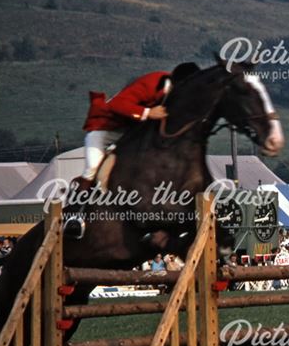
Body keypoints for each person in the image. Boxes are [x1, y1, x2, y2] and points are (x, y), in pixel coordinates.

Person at [63, 63, 200, 238]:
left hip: (129, 132)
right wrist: (147, 112)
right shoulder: (153, 83)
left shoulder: (177, 94)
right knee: (92, 169)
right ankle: (74, 217)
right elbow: (117, 104)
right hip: (104, 129)